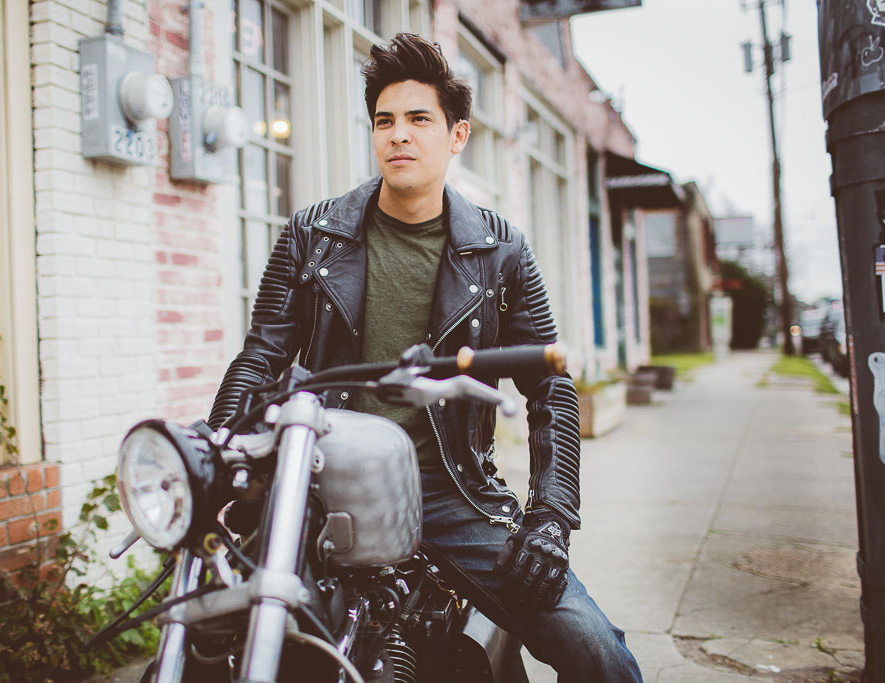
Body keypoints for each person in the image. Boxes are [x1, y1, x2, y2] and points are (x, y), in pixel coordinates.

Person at [208, 33, 642, 682]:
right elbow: (261, 356)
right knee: (219, 627)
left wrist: (552, 516)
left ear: (457, 134)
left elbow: (549, 389)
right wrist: (217, 446)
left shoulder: (502, 251)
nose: (399, 135)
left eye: (418, 119)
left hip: (449, 487)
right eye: (385, 120)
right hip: (323, 478)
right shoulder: (310, 234)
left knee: (597, 649)